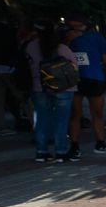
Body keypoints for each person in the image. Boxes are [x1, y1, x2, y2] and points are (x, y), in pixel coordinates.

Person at [64, 14, 106, 158]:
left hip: (93, 78)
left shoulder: (96, 36)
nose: (73, 26)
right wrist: (67, 39)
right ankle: (74, 146)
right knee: (75, 114)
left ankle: (100, 143)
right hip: (74, 79)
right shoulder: (65, 35)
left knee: (97, 113)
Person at [24, 22, 77, 162]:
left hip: (39, 86)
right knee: (61, 120)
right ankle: (61, 152)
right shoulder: (61, 47)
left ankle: (41, 151)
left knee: (41, 119)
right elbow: (74, 66)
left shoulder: (30, 46)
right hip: (63, 87)